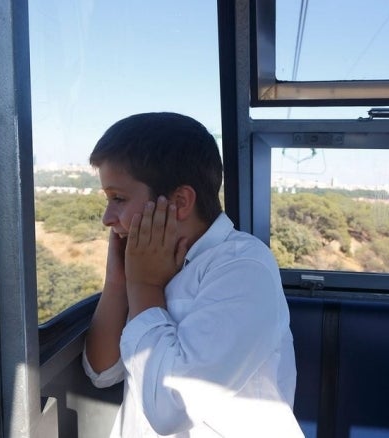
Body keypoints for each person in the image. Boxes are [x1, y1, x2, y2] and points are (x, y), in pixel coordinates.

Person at [82, 112, 303, 437]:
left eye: (118, 198)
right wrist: (118, 282)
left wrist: (144, 285)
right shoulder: (150, 262)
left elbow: (170, 409)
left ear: (180, 201)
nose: (107, 218)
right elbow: (101, 371)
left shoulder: (242, 267)